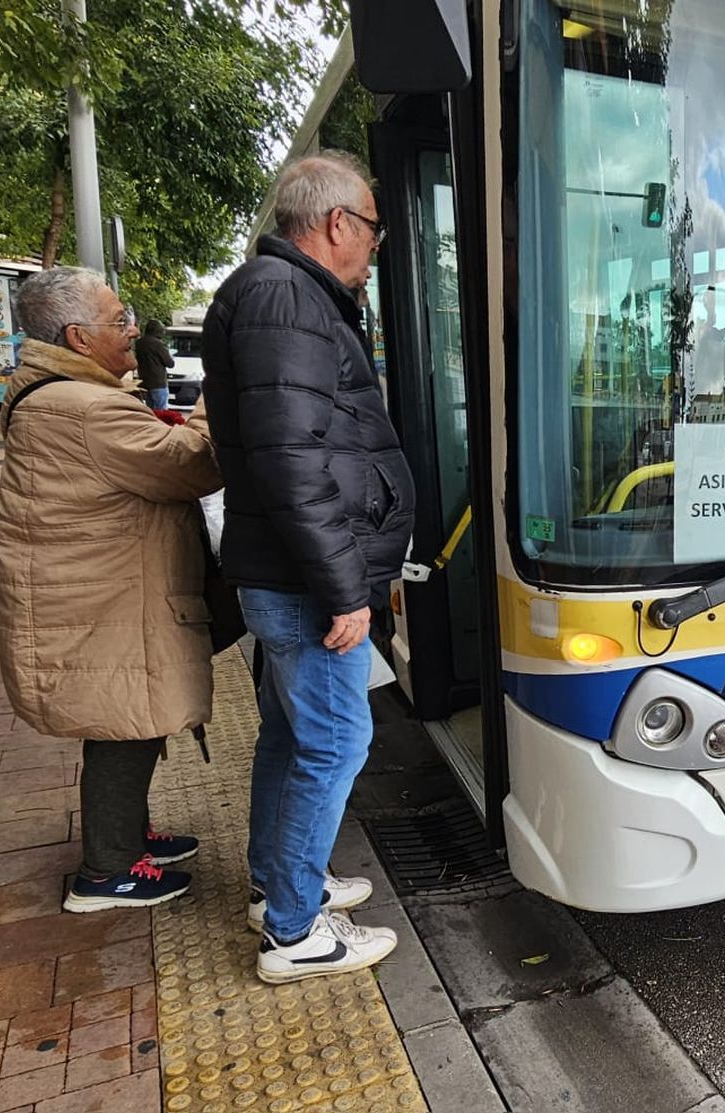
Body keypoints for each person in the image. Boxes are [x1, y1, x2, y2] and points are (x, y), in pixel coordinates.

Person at [202, 151, 414, 984]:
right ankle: (294, 928)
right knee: (336, 741)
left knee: (293, 736)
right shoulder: (288, 299)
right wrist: (345, 589)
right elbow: (297, 462)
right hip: (306, 583)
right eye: (371, 228)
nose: (373, 247)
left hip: (287, 575)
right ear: (337, 224)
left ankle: (277, 882)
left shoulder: (276, 295)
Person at [0, 266, 224, 913]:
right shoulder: (83, 406)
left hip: (94, 596)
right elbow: (192, 466)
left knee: (125, 716)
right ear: (78, 336)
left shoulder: (55, 393)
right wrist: (217, 397)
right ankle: (109, 869)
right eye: (119, 321)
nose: (132, 332)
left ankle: (124, 832)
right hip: (101, 603)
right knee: (126, 720)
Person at [134, 318, 176, 411]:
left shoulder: (139, 343)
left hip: (145, 382)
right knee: (161, 412)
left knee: (149, 411)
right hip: (158, 383)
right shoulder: (158, 344)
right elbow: (170, 363)